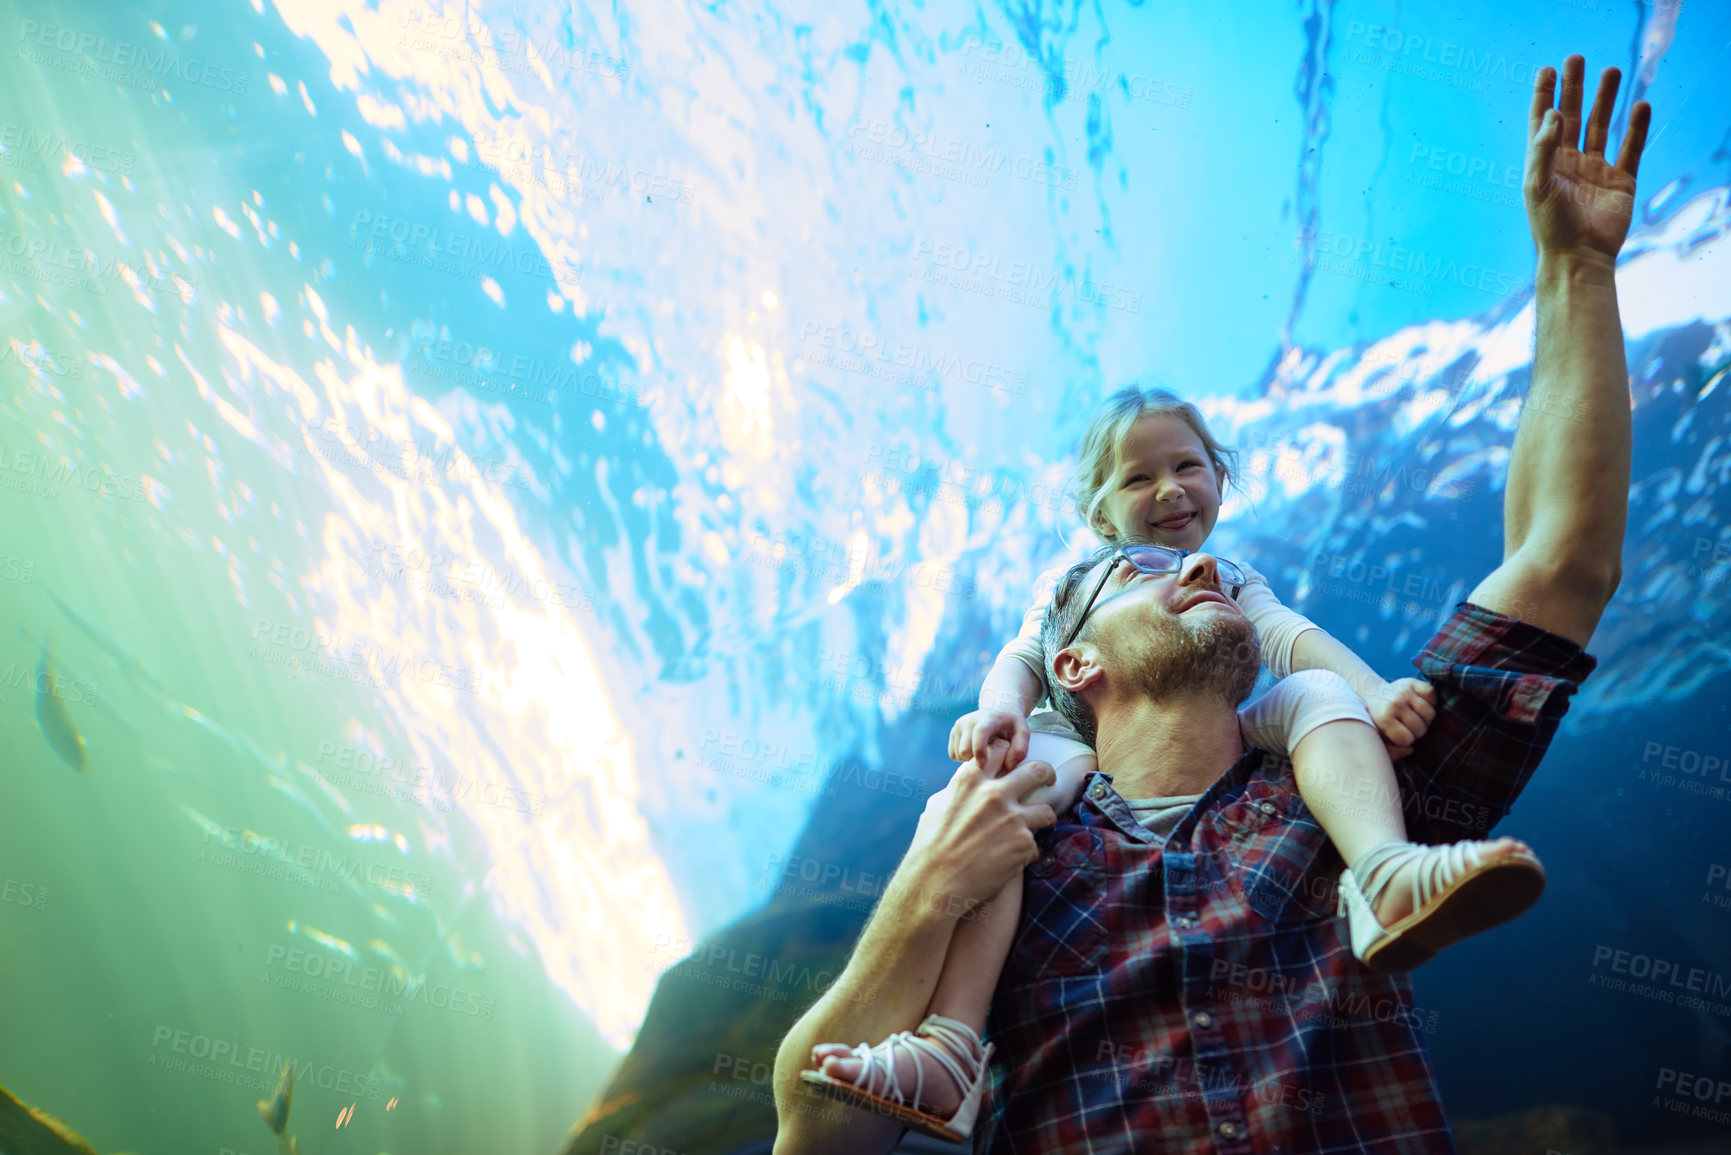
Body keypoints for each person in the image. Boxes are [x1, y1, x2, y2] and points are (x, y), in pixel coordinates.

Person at [771, 53, 1645, 1154]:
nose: (1193, 563)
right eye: (1136, 569)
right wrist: (923, 895)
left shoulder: (1352, 783)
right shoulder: (1007, 840)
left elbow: (1564, 562)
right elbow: (817, 1134)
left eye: (1192, 489)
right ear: (1076, 663)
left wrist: (1574, 270)